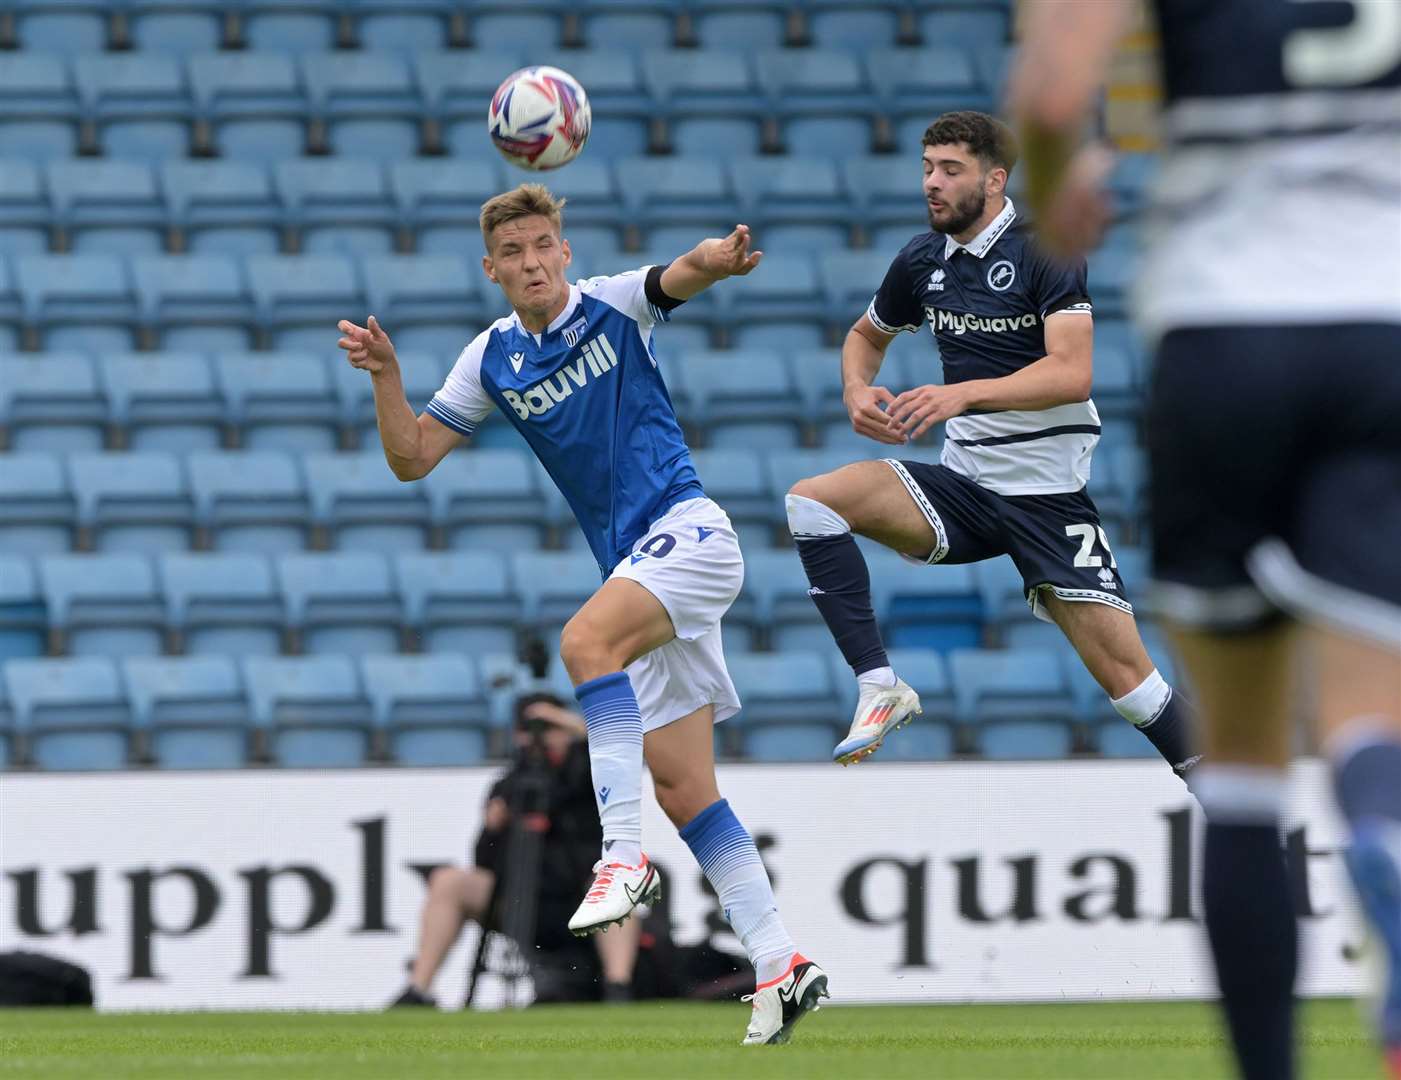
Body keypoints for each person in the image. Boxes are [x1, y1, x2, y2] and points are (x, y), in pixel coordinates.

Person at [1008, 5, 1401, 1078]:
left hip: (1221, 325)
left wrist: (1055, 193)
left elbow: (1049, 94)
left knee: (1239, 762)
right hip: (1387, 326)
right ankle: (1386, 835)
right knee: (1376, 711)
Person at [339, 184, 827, 1045]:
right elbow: (413, 457)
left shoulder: (611, 304)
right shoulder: (490, 357)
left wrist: (713, 262)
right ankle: (781, 962)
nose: (531, 262)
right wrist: (386, 377)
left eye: (543, 246)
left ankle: (622, 858)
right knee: (687, 789)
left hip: (690, 535)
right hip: (641, 570)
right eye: (513, 253)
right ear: (491, 270)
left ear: (564, 251)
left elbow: (675, 278)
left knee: (582, 639)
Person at [785, 109, 1198, 781]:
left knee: (1132, 687)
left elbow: (1071, 372)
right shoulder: (921, 260)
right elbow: (865, 336)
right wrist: (856, 390)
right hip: (965, 488)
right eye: (926, 169)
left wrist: (960, 395)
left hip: (1047, 501)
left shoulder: (1044, 250)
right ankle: (878, 686)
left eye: (950, 170)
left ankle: (1229, 804)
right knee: (811, 505)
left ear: (995, 179)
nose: (932, 184)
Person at [390, 694, 639, 1007]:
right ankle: (419, 989)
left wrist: (569, 724)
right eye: (532, 728)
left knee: (619, 882)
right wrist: (494, 828)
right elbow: (483, 862)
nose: (541, 737)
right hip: (516, 900)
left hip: (577, 898)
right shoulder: (511, 783)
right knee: (448, 881)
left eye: (550, 727)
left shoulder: (591, 772)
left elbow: (619, 749)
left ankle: (619, 987)